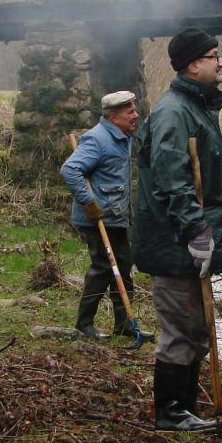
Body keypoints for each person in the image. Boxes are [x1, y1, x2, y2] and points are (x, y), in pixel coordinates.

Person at [134, 28, 222, 432]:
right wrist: (197, 231)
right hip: (174, 244)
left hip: (185, 244)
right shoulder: (173, 112)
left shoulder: (194, 107)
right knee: (181, 330)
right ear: (193, 64)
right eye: (215, 56)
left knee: (195, 329)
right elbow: (171, 180)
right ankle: (170, 413)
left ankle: (187, 406)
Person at [60, 90, 141, 340]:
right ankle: (84, 324)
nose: (136, 115)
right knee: (102, 268)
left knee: (123, 267)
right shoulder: (96, 139)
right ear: (114, 117)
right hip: (98, 219)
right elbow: (70, 170)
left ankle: (124, 325)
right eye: (131, 112)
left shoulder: (121, 136)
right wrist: (89, 202)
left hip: (115, 216)